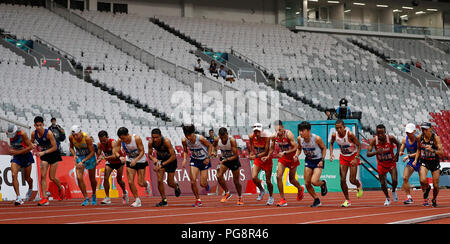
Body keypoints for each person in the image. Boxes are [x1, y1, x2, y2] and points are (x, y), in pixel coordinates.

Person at [266, 120, 304, 207]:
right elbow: (272, 148)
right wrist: (268, 155)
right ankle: (283, 199)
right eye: (276, 130)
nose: (278, 132)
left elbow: (296, 147)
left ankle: (299, 188)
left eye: (279, 130)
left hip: (292, 158)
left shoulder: (288, 134)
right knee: (278, 176)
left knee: (292, 180)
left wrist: (286, 152)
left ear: (283, 127)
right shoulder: (274, 136)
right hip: (283, 158)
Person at [30, 116, 64, 206]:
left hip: (53, 153)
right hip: (44, 155)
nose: (39, 127)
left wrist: (43, 152)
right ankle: (44, 198)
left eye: (40, 125)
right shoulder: (34, 134)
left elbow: (55, 147)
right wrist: (32, 145)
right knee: (43, 176)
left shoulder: (48, 133)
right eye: (37, 125)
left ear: (43, 125)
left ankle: (60, 187)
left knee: (52, 177)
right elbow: (30, 142)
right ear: (34, 125)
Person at [329, 119, 363, 207]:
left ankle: (358, 184)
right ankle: (347, 200)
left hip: (353, 156)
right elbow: (331, 143)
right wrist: (331, 153)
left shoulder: (350, 134)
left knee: (352, 180)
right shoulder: (334, 135)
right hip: (343, 157)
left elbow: (359, 145)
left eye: (340, 128)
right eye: (337, 128)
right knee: (342, 179)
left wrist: (356, 158)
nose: (338, 130)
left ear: (344, 127)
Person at [115, 127, 151, 207]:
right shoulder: (120, 140)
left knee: (140, 183)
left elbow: (142, 151)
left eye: (123, 138)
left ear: (127, 135)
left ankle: (146, 184)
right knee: (130, 181)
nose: (122, 140)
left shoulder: (136, 138)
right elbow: (115, 150)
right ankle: (137, 200)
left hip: (140, 160)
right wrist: (119, 156)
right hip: (130, 160)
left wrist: (136, 160)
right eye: (121, 138)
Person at [367, 124, 400, 206]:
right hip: (381, 164)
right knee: (382, 183)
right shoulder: (374, 141)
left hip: (391, 163)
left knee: (395, 180)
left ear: (385, 132)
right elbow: (368, 153)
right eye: (378, 133)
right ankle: (387, 198)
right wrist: (376, 152)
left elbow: (399, 144)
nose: (380, 135)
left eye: (382, 133)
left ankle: (393, 190)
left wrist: (397, 154)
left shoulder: (390, 138)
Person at [296, 121, 328, 207]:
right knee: (307, 183)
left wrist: (322, 160)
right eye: (300, 130)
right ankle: (316, 200)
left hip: (318, 161)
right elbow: (299, 149)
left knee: (314, 181)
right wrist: (296, 155)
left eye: (303, 131)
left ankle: (322, 184)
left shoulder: (316, 139)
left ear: (308, 131)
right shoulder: (299, 139)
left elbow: (324, 148)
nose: (301, 133)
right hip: (309, 160)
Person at [181, 124, 214, 207]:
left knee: (202, 183)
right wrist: (184, 159)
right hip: (194, 160)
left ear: (193, 133)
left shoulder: (200, 138)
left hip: (204, 160)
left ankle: (206, 185)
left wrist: (208, 158)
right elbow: (185, 151)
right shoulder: (184, 140)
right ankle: (198, 199)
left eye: (190, 135)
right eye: (186, 135)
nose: (188, 137)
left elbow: (210, 146)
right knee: (192, 180)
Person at [413, 122, 444, 207]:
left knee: (436, 185)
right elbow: (418, 149)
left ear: (430, 129)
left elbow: (442, 153)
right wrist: (416, 160)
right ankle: (427, 188)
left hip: (434, 162)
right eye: (422, 129)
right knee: (422, 180)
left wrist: (432, 150)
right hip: (425, 161)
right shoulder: (419, 137)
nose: (424, 131)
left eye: (425, 129)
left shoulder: (435, 138)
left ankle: (434, 199)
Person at [148, 128, 181, 207]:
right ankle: (164, 200)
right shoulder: (151, 142)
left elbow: (173, 156)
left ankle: (176, 186)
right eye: (153, 137)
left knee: (170, 183)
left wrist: (162, 165)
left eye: (157, 137)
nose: (155, 139)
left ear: (160, 136)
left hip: (171, 161)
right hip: (161, 160)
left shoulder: (166, 141)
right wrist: (154, 159)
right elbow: (149, 155)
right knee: (159, 180)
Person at [212, 127, 243, 205]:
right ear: (219, 135)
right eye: (222, 137)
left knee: (236, 181)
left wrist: (226, 160)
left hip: (233, 160)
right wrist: (214, 152)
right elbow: (213, 147)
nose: (224, 139)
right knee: (219, 176)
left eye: (225, 137)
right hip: (224, 159)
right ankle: (227, 192)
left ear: (227, 134)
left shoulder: (232, 140)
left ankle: (240, 197)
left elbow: (236, 156)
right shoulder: (217, 140)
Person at [96, 130, 128, 205]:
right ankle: (107, 197)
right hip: (110, 162)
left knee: (119, 180)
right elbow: (99, 155)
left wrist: (105, 158)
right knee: (105, 178)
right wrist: (98, 160)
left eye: (104, 140)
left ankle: (124, 192)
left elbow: (114, 155)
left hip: (118, 162)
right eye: (101, 140)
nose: (103, 142)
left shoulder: (113, 142)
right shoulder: (100, 144)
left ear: (107, 137)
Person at [69, 125, 98, 206]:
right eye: (74, 135)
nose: (75, 137)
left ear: (80, 132)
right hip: (80, 157)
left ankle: (94, 195)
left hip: (90, 157)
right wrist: (74, 155)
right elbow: (71, 147)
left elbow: (92, 152)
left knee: (92, 178)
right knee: (79, 177)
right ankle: (86, 198)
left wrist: (84, 161)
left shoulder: (87, 138)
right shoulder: (71, 137)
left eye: (76, 135)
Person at [6, 124, 34, 206]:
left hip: (26, 156)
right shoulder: (8, 133)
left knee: (27, 178)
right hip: (17, 157)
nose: (12, 136)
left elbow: (30, 147)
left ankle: (30, 188)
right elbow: (10, 149)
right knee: (14, 175)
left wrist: (16, 152)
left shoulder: (23, 134)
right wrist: (13, 152)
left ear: (16, 132)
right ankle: (18, 197)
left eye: (13, 135)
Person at [249, 123, 274, 205]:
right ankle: (262, 190)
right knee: (253, 177)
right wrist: (251, 153)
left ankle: (271, 196)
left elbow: (266, 151)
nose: (256, 133)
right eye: (255, 131)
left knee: (268, 181)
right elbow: (251, 146)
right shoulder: (251, 137)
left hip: (267, 159)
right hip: (258, 159)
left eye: (258, 131)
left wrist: (255, 156)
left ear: (262, 131)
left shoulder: (266, 137)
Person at [398, 123, 420, 205]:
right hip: (411, 161)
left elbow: (419, 151)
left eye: (409, 132)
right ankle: (409, 197)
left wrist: (408, 156)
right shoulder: (404, 139)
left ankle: (426, 197)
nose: (408, 134)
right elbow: (402, 147)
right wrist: (401, 152)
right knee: (405, 178)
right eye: (407, 132)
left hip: (420, 160)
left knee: (423, 181)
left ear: (414, 131)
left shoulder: (418, 139)